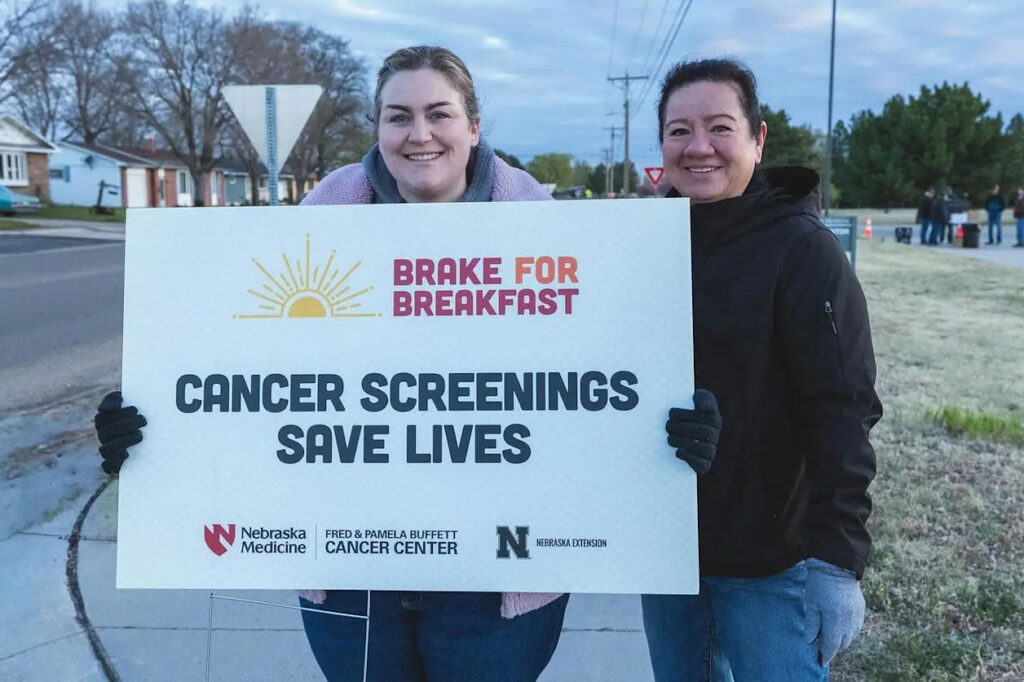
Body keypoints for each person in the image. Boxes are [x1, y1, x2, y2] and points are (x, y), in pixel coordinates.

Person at [95, 45, 715, 682]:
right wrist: (154, 432)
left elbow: (595, 382)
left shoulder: (546, 230)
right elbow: (242, 380)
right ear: (378, 129)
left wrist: (667, 430)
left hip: (498, 586)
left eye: (439, 114)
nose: (419, 134)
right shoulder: (314, 228)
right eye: (398, 116)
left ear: (473, 127)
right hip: (350, 574)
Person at [643, 58, 882, 682]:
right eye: (678, 131)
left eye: (720, 127)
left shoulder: (803, 251)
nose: (699, 148)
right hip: (665, 551)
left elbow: (842, 408)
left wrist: (836, 559)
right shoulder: (640, 245)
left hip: (772, 560)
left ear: (758, 138)